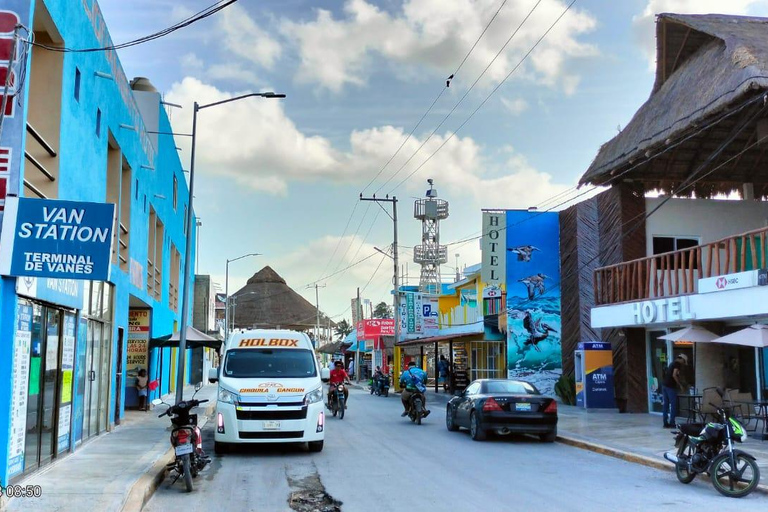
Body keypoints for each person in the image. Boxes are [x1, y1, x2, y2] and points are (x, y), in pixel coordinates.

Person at [662, 353, 688, 428]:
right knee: (673, 404)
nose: (683, 363)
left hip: (664, 385)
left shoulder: (672, 363)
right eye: (684, 361)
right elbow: (674, 375)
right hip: (670, 386)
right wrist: (680, 385)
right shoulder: (677, 364)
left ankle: (665, 423)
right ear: (682, 359)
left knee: (666, 405)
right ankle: (672, 423)